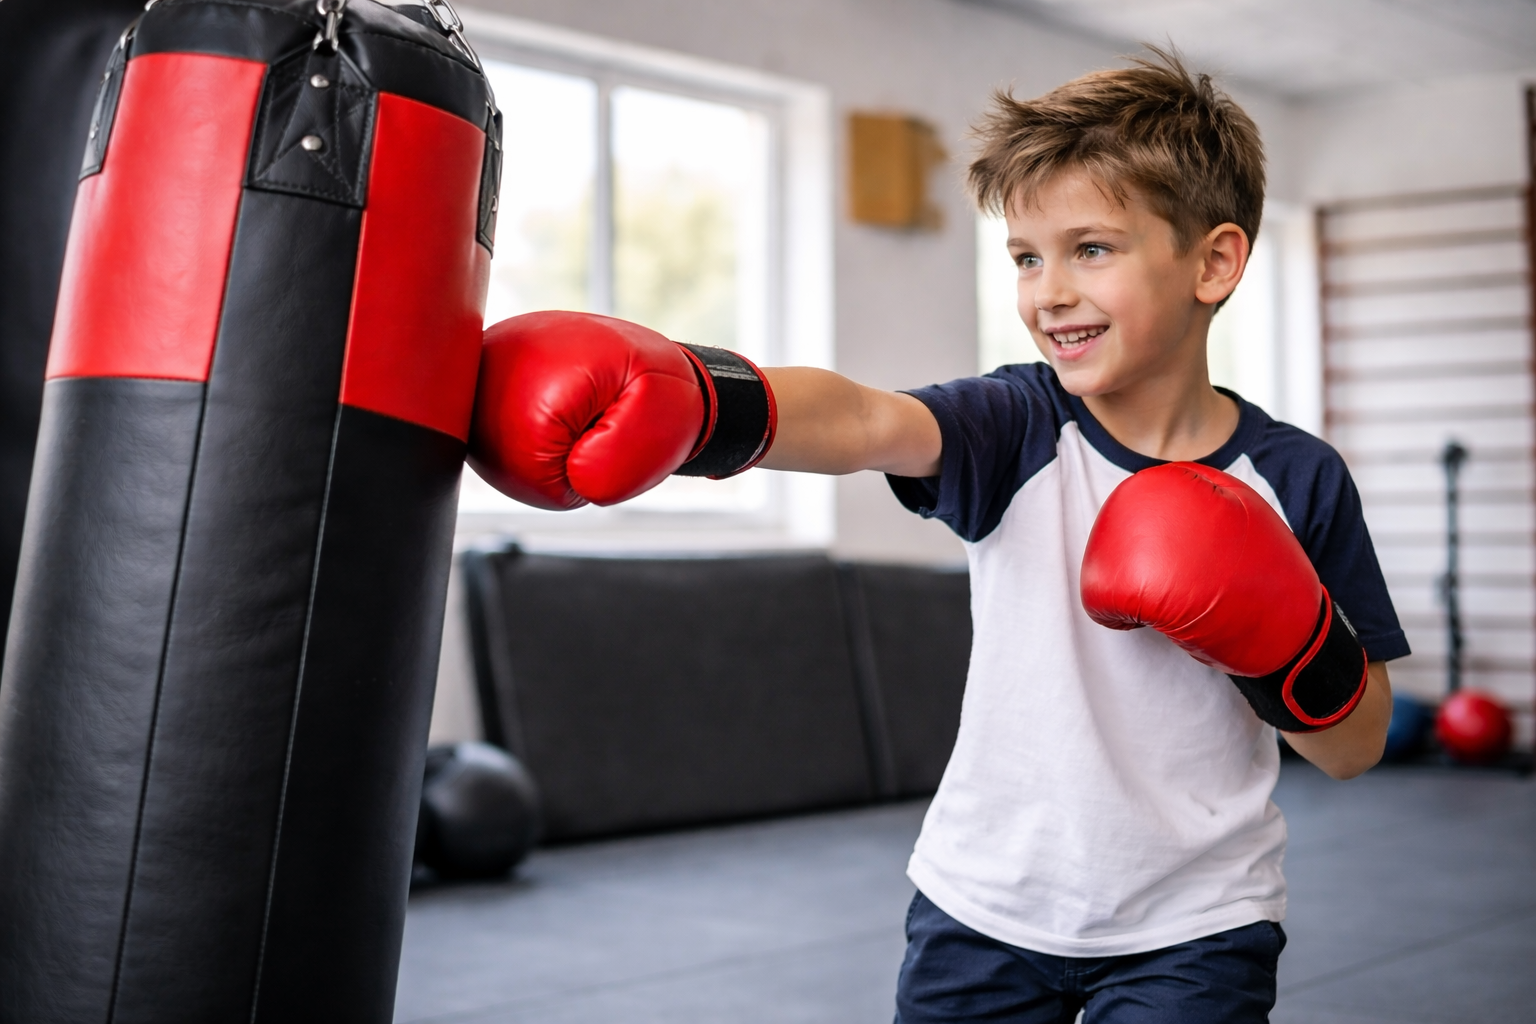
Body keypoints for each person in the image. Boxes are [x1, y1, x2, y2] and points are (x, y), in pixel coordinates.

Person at [468, 48, 1407, 1024]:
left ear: (1214, 261)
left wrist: (1282, 635)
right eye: (1025, 256)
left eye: (1092, 248)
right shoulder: (1018, 426)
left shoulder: (1298, 480)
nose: (1049, 292)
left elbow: (1355, 746)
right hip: (984, 906)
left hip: (1200, 927)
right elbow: (865, 420)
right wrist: (698, 400)